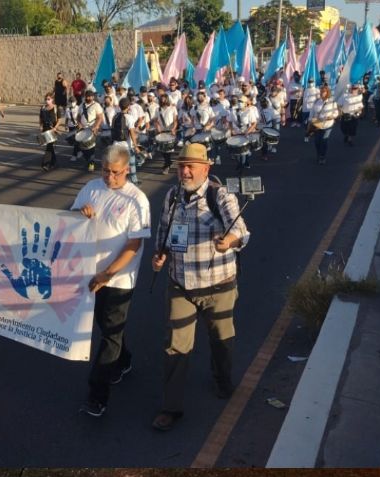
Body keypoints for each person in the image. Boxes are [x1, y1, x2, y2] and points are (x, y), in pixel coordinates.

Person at [150, 143, 250, 431]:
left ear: (206, 168)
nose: (185, 170)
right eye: (182, 165)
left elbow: (241, 231)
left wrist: (228, 241)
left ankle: (222, 380)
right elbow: (163, 234)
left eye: (192, 165)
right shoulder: (172, 196)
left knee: (221, 340)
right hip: (180, 283)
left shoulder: (220, 196)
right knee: (175, 346)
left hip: (218, 285)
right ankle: (171, 407)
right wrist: (160, 257)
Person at [72, 145, 151, 417]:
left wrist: (108, 274)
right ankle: (124, 360)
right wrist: (81, 213)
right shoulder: (91, 188)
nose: (109, 177)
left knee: (109, 336)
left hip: (118, 279)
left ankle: (97, 395)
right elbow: (70, 220)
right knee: (108, 329)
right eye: (106, 171)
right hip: (89, 273)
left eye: (115, 173)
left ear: (126, 170)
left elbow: (134, 243)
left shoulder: (137, 200)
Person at [110, 98, 141, 185]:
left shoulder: (114, 117)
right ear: (128, 107)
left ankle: (115, 180)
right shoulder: (129, 117)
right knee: (131, 164)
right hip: (126, 146)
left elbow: (112, 130)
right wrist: (135, 146)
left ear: (120, 107)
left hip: (115, 145)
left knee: (118, 165)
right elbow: (131, 132)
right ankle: (134, 181)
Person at [308, 84, 339, 165]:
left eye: (324, 92)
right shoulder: (317, 101)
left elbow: (336, 113)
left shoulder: (332, 102)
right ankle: (318, 154)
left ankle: (322, 156)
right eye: (321, 92)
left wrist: (332, 116)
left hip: (327, 125)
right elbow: (312, 112)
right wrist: (310, 120)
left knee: (324, 141)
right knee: (317, 141)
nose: (322, 93)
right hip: (317, 125)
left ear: (327, 93)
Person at [76, 90, 104, 171]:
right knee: (83, 147)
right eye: (87, 96)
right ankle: (88, 160)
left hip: (92, 129)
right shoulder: (81, 105)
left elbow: (100, 117)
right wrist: (79, 123)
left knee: (91, 147)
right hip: (83, 129)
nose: (88, 98)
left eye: (89, 96)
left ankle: (91, 164)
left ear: (93, 97)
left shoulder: (96, 105)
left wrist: (96, 126)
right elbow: (78, 116)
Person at [154, 93, 178, 175]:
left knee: (168, 150)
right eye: (161, 99)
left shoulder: (172, 108)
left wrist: (174, 128)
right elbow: (156, 121)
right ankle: (168, 162)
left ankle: (166, 166)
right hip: (162, 132)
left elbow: (175, 120)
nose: (162, 100)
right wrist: (158, 127)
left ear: (167, 99)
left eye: (164, 98)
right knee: (163, 150)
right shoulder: (158, 109)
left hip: (170, 131)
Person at [39, 92, 59, 172]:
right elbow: (40, 118)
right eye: (46, 99)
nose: (47, 101)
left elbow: (60, 119)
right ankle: (54, 162)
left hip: (53, 130)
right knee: (50, 146)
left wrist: (55, 127)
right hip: (45, 129)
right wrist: (40, 126)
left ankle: (46, 164)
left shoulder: (56, 108)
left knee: (49, 146)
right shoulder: (43, 108)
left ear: (52, 99)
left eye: (48, 99)